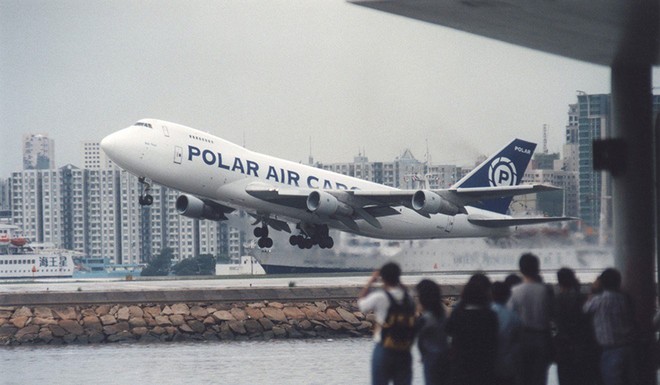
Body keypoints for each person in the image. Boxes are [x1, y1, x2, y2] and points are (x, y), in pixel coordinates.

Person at [358, 262, 415, 385]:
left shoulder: (380, 297)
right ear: (399, 276)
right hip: (404, 349)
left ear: (382, 278)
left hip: (384, 347)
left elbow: (361, 304)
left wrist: (371, 281)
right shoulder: (409, 297)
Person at [583, 268, 637, 385]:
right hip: (627, 346)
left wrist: (593, 289)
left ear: (602, 283)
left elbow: (586, 308)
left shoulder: (598, 301)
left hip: (610, 349)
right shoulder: (624, 299)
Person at [507, 253, 553, 385]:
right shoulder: (545, 290)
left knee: (522, 376)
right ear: (537, 268)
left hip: (522, 338)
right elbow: (551, 314)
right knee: (539, 377)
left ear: (521, 270)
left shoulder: (515, 291)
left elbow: (510, 316)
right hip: (542, 337)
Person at [445, 273, 498, 385]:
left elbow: (448, 331)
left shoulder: (458, 313)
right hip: (484, 369)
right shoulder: (489, 316)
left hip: (460, 368)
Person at [554, 267, 599, 385]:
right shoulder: (582, 298)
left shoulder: (557, 299)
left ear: (559, 282)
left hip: (563, 346)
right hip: (582, 345)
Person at [415, 279, 450, 385]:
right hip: (446, 358)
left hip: (431, 360)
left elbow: (419, 340)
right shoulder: (443, 315)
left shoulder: (425, 319)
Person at [491, 281, 522, 385]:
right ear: (508, 296)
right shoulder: (514, 317)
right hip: (508, 364)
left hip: (488, 364)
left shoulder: (486, 313)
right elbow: (519, 341)